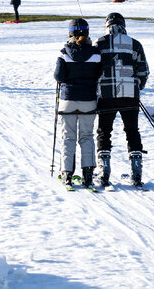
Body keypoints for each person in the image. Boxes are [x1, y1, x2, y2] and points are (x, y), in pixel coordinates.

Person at [95, 12, 150, 187]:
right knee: (132, 131)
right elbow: (143, 71)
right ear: (123, 25)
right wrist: (137, 86)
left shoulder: (99, 44)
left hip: (106, 95)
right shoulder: (135, 44)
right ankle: (137, 173)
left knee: (104, 132)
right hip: (130, 96)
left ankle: (104, 172)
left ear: (107, 26)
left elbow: (93, 70)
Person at [53, 18, 101, 189]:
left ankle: (67, 174)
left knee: (68, 137)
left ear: (70, 34)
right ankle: (88, 175)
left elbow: (59, 77)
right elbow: (98, 75)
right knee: (87, 137)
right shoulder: (96, 53)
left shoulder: (64, 53)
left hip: (68, 100)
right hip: (88, 100)